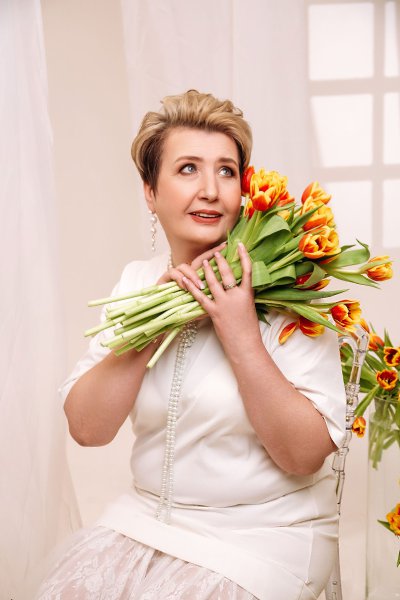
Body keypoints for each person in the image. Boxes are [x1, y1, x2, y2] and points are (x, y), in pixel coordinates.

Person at [36, 90, 346, 600]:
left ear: (244, 189)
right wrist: (152, 323)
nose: (210, 190)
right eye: (187, 169)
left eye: (226, 171)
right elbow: (88, 429)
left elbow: (303, 455)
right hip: (146, 519)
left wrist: (241, 332)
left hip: (264, 534)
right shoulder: (138, 283)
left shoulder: (290, 292)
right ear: (150, 192)